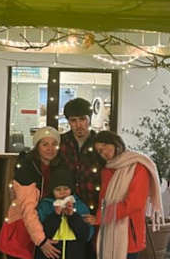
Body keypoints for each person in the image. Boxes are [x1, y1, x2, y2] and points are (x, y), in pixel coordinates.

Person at [86, 131, 163, 259]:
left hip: (129, 233)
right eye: (99, 151)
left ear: (115, 143)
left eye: (105, 145)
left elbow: (134, 203)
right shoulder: (106, 170)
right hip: (108, 232)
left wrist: (102, 217)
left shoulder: (138, 166)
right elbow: (103, 201)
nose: (104, 152)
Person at [0, 127, 63, 259]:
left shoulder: (58, 168)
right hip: (22, 230)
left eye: (54, 144)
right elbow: (28, 210)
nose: (50, 148)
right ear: (37, 147)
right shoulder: (27, 169)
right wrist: (41, 241)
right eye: (45, 144)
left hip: (41, 228)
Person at [57, 98, 104, 258]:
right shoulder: (61, 142)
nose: (79, 125)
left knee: (94, 252)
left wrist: (101, 214)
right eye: (73, 120)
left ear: (89, 119)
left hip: (94, 207)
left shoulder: (100, 142)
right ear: (68, 122)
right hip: (67, 207)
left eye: (82, 119)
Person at [35, 168, 94, 259]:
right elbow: (43, 232)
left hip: (75, 254)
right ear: (52, 190)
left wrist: (72, 216)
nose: (62, 192)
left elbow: (85, 235)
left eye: (66, 189)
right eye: (58, 189)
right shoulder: (45, 206)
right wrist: (56, 215)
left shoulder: (80, 206)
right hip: (50, 254)